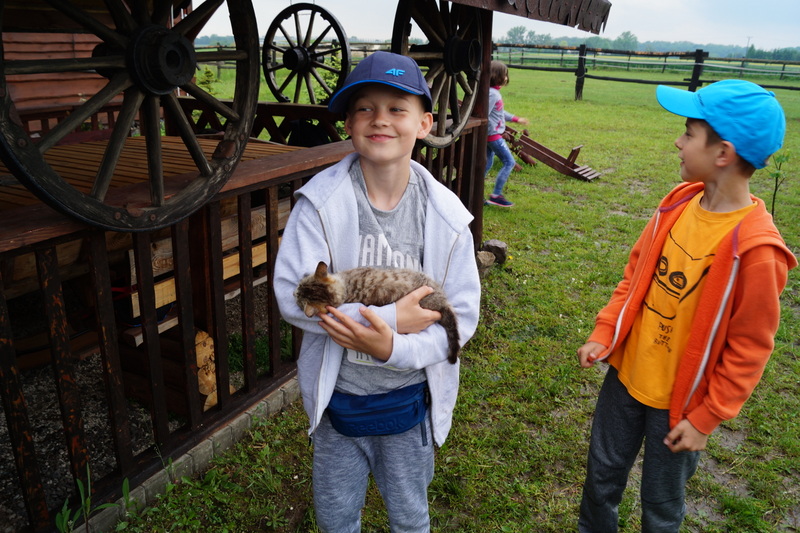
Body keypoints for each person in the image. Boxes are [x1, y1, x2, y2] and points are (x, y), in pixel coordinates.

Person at [273, 51, 481, 533]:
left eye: (396, 108)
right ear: (348, 123)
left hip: (409, 403)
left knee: (409, 517)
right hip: (339, 401)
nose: (379, 119)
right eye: (364, 108)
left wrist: (394, 347)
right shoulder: (320, 204)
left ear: (425, 124)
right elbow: (291, 297)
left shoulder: (448, 216)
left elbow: (462, 316)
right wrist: (388, 322)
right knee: (336, 516)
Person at [576, 79, 797, 532]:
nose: (678, 142)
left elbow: (750, 347)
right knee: (600, 481)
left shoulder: (759, 251)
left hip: (681, 407)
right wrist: (605, 332)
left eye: (689, 133)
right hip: (625, 379)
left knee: (660, 507)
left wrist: (706, 418)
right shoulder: (676, 204)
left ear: (723, 153)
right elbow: (634, 278)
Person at [484, 60, 529, 207]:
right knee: (509, 162)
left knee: (487, 164)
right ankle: (496, 195)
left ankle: (474, 193)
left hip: (490, 135)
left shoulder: (493, 93)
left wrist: (516, 119)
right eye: (505, 74)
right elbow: (484, 113)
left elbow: (499, 112)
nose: (506, 78)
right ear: (496, 75)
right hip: (493, 136)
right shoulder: (493, 94)